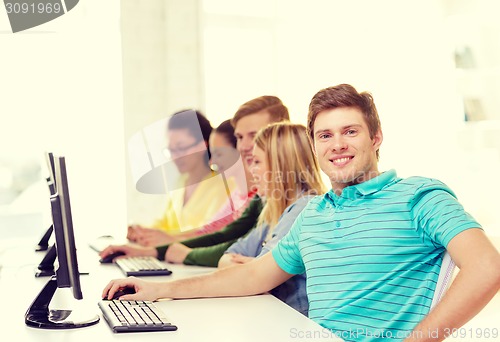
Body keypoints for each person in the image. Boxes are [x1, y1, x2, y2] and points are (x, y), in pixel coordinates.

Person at [104, 84, 500, 341]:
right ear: (313, 145)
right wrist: (158, 291)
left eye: (351, 131)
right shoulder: (314, 214)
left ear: (376, 138)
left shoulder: (418, 195)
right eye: (325, 135)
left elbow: (487, 268)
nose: (337, 144)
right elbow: (252, 277)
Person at [101, 95, 290, 266]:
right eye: (240, 137)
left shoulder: (294, 199)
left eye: (255, 135)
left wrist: (175, 250)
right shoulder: (260, 197)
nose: (246, 146)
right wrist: (151, 246)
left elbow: (231, 245)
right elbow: (226, 236)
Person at [217, 122, 326, 315]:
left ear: (280, 166)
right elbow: (228, 256)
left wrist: (254, 272)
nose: (251, 170)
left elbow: (253, 281)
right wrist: (254, 269)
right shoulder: (273, 213)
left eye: (257, 162)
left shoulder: (304, 207)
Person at [129, 119, 249, 246]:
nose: (176, 156)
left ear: (203, 146)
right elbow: (166, 223)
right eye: (171, 150)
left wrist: (169, 239)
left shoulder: (226, 184)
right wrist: (143, 233)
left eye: (181, 148)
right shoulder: (181, 182)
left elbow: (213, 234)